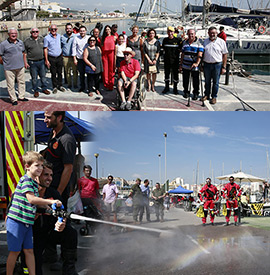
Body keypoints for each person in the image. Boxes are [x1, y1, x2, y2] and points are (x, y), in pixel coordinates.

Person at [6, 151, 62, 275]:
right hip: (17, 221)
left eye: (41, 165)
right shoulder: (26, 180)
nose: (40, 168)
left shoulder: (33, 184)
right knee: (14, 252)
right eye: (37, 165)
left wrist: (50, 208)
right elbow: (31, 199)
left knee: (29, 251)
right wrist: (49, 201)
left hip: (27, 223)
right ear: (27, 166)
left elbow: (37, 203)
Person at [33, 160, 77, 275]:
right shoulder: (28, 193)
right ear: (37, 175)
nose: (50, 178)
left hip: (50, 232)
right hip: (33, 236)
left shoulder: (53, 193)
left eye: (51, 175)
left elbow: (62, 212)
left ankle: (69, 268)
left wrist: (61, 223)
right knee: (34, 266)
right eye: (46, 175)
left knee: (70, 232)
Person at [44, 111, 76, 208]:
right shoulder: (53, 132)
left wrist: (58, 193)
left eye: (48, 117)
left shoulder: (67, 139)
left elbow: (68, 168)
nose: (45, 120)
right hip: (49, 184)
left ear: (59, 118)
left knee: (58, 221)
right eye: (45, 117)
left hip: (57, 187)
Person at [0, 28, 28, 105]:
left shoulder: (20, 42)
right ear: (8, 34)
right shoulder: (3, 44)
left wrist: (24, 62)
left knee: (21, 82)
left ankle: (21, 96)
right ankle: (13, 99)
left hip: (20, 66)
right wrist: (4, 63)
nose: (14, 35)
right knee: (10, 85)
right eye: (12, 33)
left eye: (15, 33)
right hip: (9, 68)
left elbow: (23, 53)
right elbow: (0, 56)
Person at [202, 26, 228, 104]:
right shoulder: (205, 41)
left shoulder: (221, 42)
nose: (212, 34)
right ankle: (206, 95)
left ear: (216, 33)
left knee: (216, 82)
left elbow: (225, 55)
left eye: (214, 33)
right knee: (207, 81)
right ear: (208, 33)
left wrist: (224, 67)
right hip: (206, 64)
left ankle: (214, 97)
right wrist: (201, 65)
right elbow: (202, 53)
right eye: (210, 33)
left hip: (217, 65)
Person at [24, 27, 50, 98]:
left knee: (43, 76)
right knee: (34, 78)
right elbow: (25, 53)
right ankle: (35, 90)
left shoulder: (42, 39)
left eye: (36, 31)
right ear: (31, 33)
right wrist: (25, 62)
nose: (35, 33)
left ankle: (44, 88)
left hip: (41, 61)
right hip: (32, 62)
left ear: (38, 32)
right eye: (33, 32)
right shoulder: (27, 41)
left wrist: (46, 60)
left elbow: (45, 49)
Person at [180, 28, 204, 100]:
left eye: (192, 34)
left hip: (194, 65)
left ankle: (195, 93)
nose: (191, 35)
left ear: (195, 34)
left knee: (195, 80)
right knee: (185, 80)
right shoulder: (184, 42)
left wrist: (197, 63)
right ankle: (186, 91)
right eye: (189, 34)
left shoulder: (199, 43)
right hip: (185, 65)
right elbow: (182, 54)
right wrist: (181, 64)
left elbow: (200, 54)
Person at [44, 24, 65, 94]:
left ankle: (60, 85)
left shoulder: (59, 36)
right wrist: (46, 60)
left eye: (55, 29)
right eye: (52, 29)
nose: (53, 30)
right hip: (52, 58)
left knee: (60, 73)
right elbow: (45, 49)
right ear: (49, 30)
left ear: (57, 30)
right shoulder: (47, 38)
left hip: (59, 57)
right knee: (53, 73)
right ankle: (54, 87)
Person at [162, 26, 182, 94]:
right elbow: (163, 49)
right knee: (166, 74)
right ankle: (166, 87)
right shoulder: (165, 40)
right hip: (167, 60)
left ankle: (175, 88)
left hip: (175, 61)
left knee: (175, 75)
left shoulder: (178, 40)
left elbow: (181, 49)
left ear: (174, 32)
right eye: (169, 32)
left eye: (171, 31)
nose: (170, 33)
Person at [72, 25, 90, 93]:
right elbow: (73, 48)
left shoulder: (88, 38)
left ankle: (89, 88)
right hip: (80, 59)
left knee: (89, 74)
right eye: (81, 31)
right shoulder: (76, 38)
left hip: (88, 59)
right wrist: (74, 58)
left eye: (83, 31)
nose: (82, 32)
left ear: (86, 31)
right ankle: (82, 87)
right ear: (79, 31)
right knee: (81, 74)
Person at [61, 23, 78, 89]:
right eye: (67, 28)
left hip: (73, 57)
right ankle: (69, 84)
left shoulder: (75, 36)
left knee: (75, 72)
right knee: (67, 72)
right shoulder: (62, 37)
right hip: (65, 57)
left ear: (72, 29)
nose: (68, 30)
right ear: (65, 29)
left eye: (70, 28)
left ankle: (75, 84)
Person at [143, 28, 160, 93]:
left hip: (155, 60)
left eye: (153, 33)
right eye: (150, 33)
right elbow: (144, 52)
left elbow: (158, 51)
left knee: (154, 73)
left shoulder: (157, 42)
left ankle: (153, 85)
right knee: (148, 73)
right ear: (148, 34)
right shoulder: (145, 42)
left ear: (155, 34)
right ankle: (149, 85)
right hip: (148, 60)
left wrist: (155, 59)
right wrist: (148, 59)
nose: (151, 34)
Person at [101, 25, 116, 91]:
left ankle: (111, 84)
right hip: (104, 54)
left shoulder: (114, 37)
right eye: (106, 29)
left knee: (111, 70)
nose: (107, 31)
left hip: (111, 54)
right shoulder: (103, 38)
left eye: (108, 29)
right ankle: (106, 84)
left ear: (110, 30)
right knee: (105, 70)